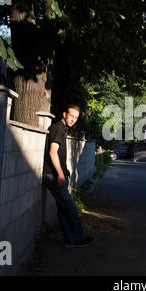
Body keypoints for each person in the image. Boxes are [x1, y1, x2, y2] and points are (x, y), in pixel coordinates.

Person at [42, 104, 95, 247]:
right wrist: (60, 174)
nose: (73, 119)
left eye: (75, 118)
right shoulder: (58, 128)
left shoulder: (62, 129)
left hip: (55, 175)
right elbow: (52, 152)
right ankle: (78, 237)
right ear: (65, 114)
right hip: (53, 175)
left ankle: (70, 239)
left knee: (63, 209)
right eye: (71, 116)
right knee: (70, 207)